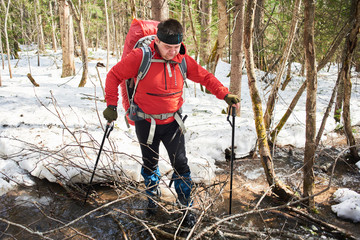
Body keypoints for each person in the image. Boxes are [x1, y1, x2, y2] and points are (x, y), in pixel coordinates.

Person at [103, 18, 240, 227]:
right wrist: (111, 106)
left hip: (173, 123)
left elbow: (205, 77)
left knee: (181, 164)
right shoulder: (141, 57)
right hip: (145, 122)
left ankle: (186, 208)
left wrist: (225, 94)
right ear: (157, 41)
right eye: (168, 47)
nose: (172, 51)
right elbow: (114, 75)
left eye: (176, 47)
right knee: (149, 163)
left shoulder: (183, 60)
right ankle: (152, 200)